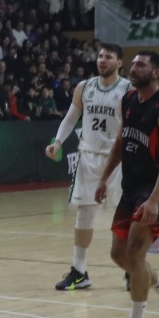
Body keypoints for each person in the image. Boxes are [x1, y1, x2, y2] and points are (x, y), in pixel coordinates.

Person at [97, 50, 159, 318]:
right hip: (132, 185)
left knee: (136, 252)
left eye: (141, 65)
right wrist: (104, 178)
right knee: (119, 254)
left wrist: (154, 200)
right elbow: (120, 142)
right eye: (134, 64)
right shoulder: (128, 100)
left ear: (156, 72)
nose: (134, 68)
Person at [46, 42, 129, 291]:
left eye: (108, 57)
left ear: (119, 63)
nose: (102, 60)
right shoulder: (85, 87)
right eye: (100, 56)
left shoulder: (128, 89)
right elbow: (71, 117)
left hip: (117, 160)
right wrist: (57, 142)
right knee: (84, 213)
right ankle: (79, 272)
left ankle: (131, 269)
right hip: (88, 157)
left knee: (123, 215)